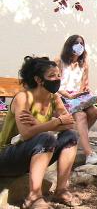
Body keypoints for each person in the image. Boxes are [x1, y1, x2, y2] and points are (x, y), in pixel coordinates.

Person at [0, 56, 81, 208]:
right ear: (38, 79)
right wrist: (55, 123)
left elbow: (70, 124)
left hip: (32, 152)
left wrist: (39, 124)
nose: (57, 79)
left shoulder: (54, 97)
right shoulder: (23, 98)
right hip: (6, 156)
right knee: (46, 138)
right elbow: (26, 134)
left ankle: (61, 191)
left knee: (71, 136)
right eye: (51, 76)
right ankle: (34, 197)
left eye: (58, 75)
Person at [55, 35, 97, 165]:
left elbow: (84, 85)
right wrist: (68, 95)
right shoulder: (59, 61)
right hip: (62, 97)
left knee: (94, 112)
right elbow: (54, 84)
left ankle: (79, 139)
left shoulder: (84, 65)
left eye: (81, 43)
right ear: (69, 45)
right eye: (76, 43)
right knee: (81, 115)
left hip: (77, 97)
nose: (79, 46)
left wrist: (87, 92)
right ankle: (89, 154)